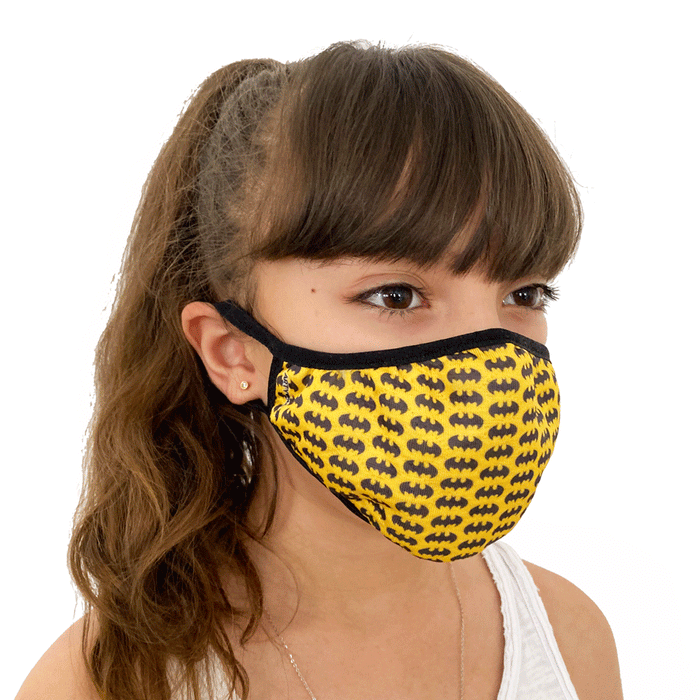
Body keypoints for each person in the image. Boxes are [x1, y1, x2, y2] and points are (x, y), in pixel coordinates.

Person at [16, 41, 623, 700]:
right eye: (396, 296)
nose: (488, 364)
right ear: (232, 351)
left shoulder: (568, 639)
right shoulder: (108, 681)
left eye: (525, 294)